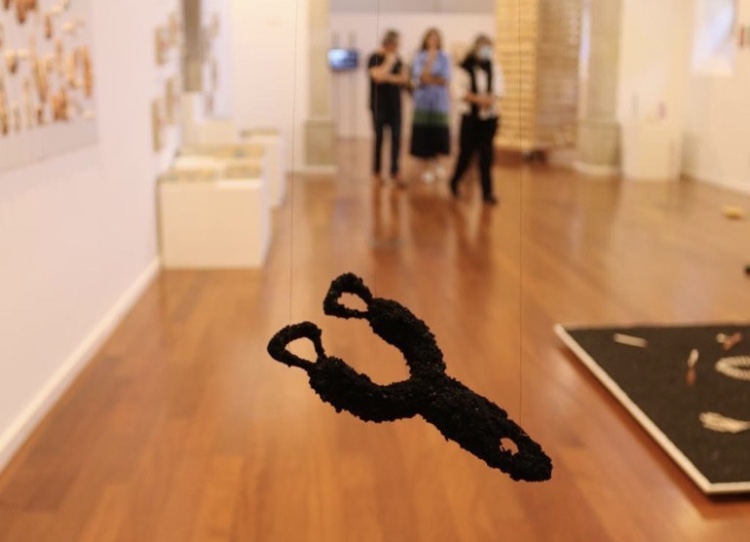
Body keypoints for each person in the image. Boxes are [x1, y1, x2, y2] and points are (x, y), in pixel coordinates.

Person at [449, 35, 505, 205]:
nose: (487, 51)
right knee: (466, 154)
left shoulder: (494, 68)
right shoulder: (463, 68)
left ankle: (487, 192)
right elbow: (458, 92)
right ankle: (454, 181)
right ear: (476, 48)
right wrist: (478, 99)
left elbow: (499, 90)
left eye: (489, 48)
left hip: (488, 118)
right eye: (484, 47)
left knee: (486, 156)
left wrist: (489, 100)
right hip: (470, 119)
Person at [368, 30, 409, 185]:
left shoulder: (399, 60)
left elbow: (404, 79)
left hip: (395, 105)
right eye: (396, 43)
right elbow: (377, 77)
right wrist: (389, 63)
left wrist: (387, 76)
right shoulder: (374, 57)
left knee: (396, 138)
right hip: (379, 105)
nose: (398, 47)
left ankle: (394, 171)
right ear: (389, 43)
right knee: (379, 139)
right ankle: (377, 172)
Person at [410, 28, 451, 184]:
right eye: (430, 39)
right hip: (423, 103)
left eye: (436, 39)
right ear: (425, 40)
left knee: (438, 133)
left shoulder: (445, 57)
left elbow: (445, 79)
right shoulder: (419, 57)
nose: (433, 42)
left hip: (439, 103)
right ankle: (426, 166)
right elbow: (421, 78)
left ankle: (437, 163)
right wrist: (430, 62)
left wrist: (430, 79)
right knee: (424, 134)